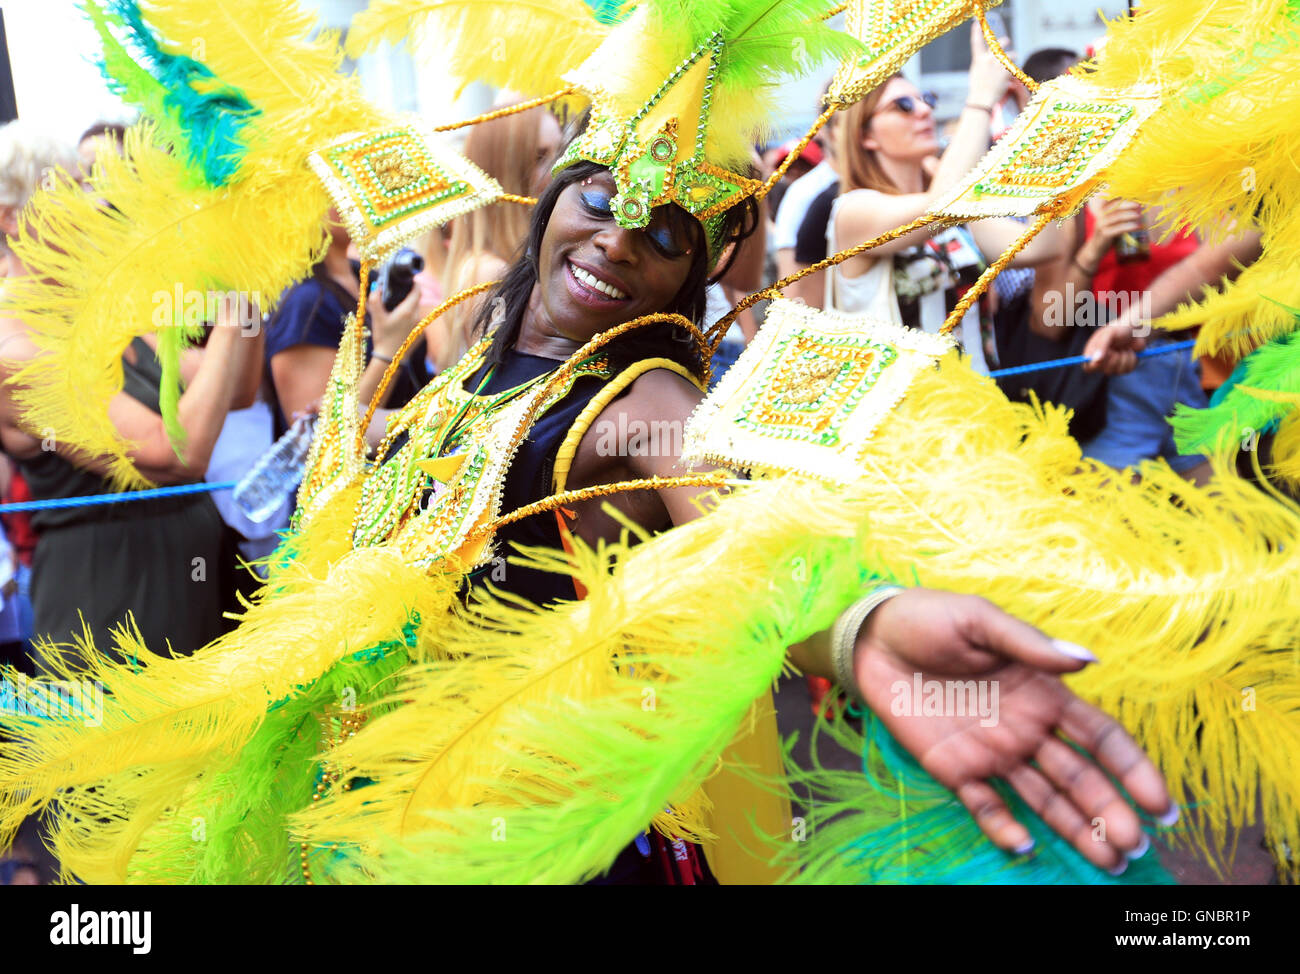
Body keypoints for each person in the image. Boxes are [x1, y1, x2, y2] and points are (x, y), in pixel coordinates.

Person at [0, 121, 262, 660]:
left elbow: (234, 392)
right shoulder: (15, 347)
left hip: (195, 582)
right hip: (113, 607)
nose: (93, 205)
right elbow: (173, 452)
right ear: (10, 218)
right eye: (70, 190)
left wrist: (246, 274)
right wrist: (233, 319)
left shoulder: (102, 307)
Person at [826, 26, 1065, 372]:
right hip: (907, 414)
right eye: (903, 106)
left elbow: (1040, 246)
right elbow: (938, 208)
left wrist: (1041, 129)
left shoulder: (955, 205)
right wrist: (981, 98)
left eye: (926, 99)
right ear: (866, 136)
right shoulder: (852, 211)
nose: (924, 111)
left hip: (981, 404)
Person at [433, 100, 563, 370]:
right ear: (502, 170)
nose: (558, 169)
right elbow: (500, 385)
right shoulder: (487, 270)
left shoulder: (506, 259)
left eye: (562, 152)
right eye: (540, 156)